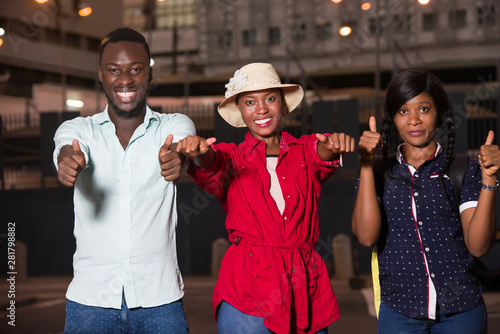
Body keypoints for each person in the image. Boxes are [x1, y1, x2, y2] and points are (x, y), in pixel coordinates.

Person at [176, 62, 354, 333]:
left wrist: (334, 144)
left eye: (270, 98)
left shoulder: (305, 150)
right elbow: (211, 163)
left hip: (303, 284)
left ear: (282, 103)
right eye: (250, 101)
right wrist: (200, 152)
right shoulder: (232, 155)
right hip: (246, 292)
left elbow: (323, 151)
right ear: (240, 109)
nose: (261, 109)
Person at [53, 27, 195, 333]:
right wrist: (68, 160)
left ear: (149, 74)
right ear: (101, 75)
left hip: (160, 301)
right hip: (90, 302)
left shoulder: (173, 124)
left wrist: (177, 157)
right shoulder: (78, 130)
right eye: (114, 70)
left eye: (136, 69)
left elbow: (180, 145)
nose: (126, 79)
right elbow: (67, 147)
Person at [352, 69, 500, 333]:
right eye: (402, 111)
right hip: (399, 311)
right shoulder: (378, 170)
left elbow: (478, 247)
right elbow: (365, 237)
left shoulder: (463, 169)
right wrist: (365, 165)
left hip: (462, 312)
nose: (413, 120)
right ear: (393, 118)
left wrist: (489, 179)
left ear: (439, 113)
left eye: (423, 109)